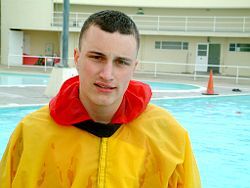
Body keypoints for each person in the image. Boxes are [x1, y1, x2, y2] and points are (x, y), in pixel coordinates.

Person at [0, 10, 201, 187]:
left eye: (121, 62)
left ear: (134, 67)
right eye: (97, 57)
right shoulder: (31, 133)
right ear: (77, 58)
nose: (107, 74)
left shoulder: (170, 137)